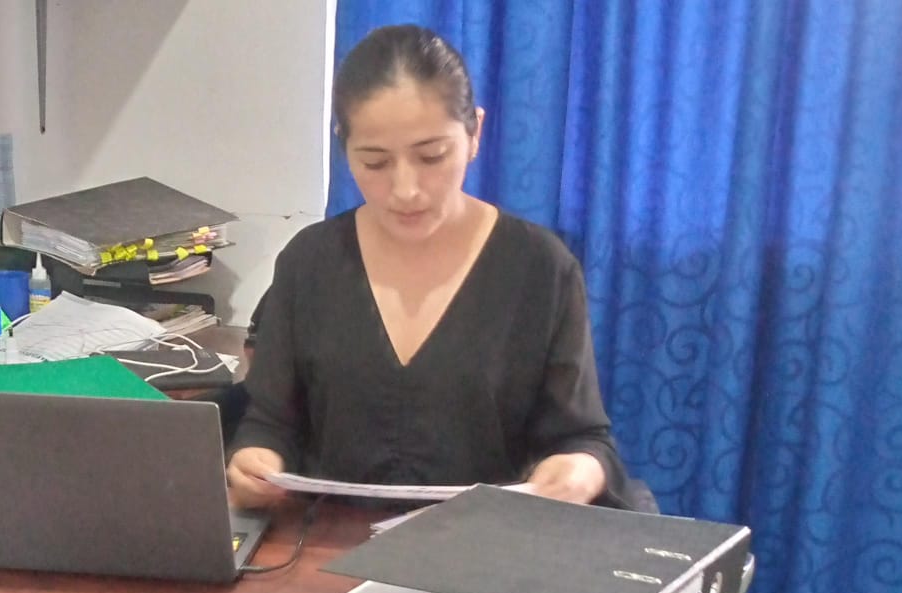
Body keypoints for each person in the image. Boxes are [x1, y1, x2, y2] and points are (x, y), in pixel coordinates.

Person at [225, 24, 633, 511]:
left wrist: (579, 469)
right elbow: (270, 422)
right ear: (344, 146)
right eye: (375, 163)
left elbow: (583, 437)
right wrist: (255, 459)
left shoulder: (541, 268)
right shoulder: (310, 261)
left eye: (431, 156)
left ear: (475, 132)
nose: (406, 190)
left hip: (484, 546)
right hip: (327, 545)